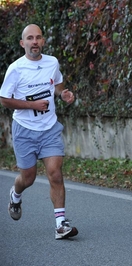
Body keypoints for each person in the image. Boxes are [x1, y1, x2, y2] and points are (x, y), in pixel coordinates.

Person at [0, 24, 78, 240]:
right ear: (22, 43)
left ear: (43, 41)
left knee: (55, 172)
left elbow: (58, 84)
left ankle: (60, 224)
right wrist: (32, 106)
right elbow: (4, 99)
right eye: (30, 38)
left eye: (38, 38)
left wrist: (63, 94)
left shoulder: (52, 62)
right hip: (24, 130)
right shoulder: (15, 68)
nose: (35, 42)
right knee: (28, 178)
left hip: (49, 128)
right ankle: (15, 195)